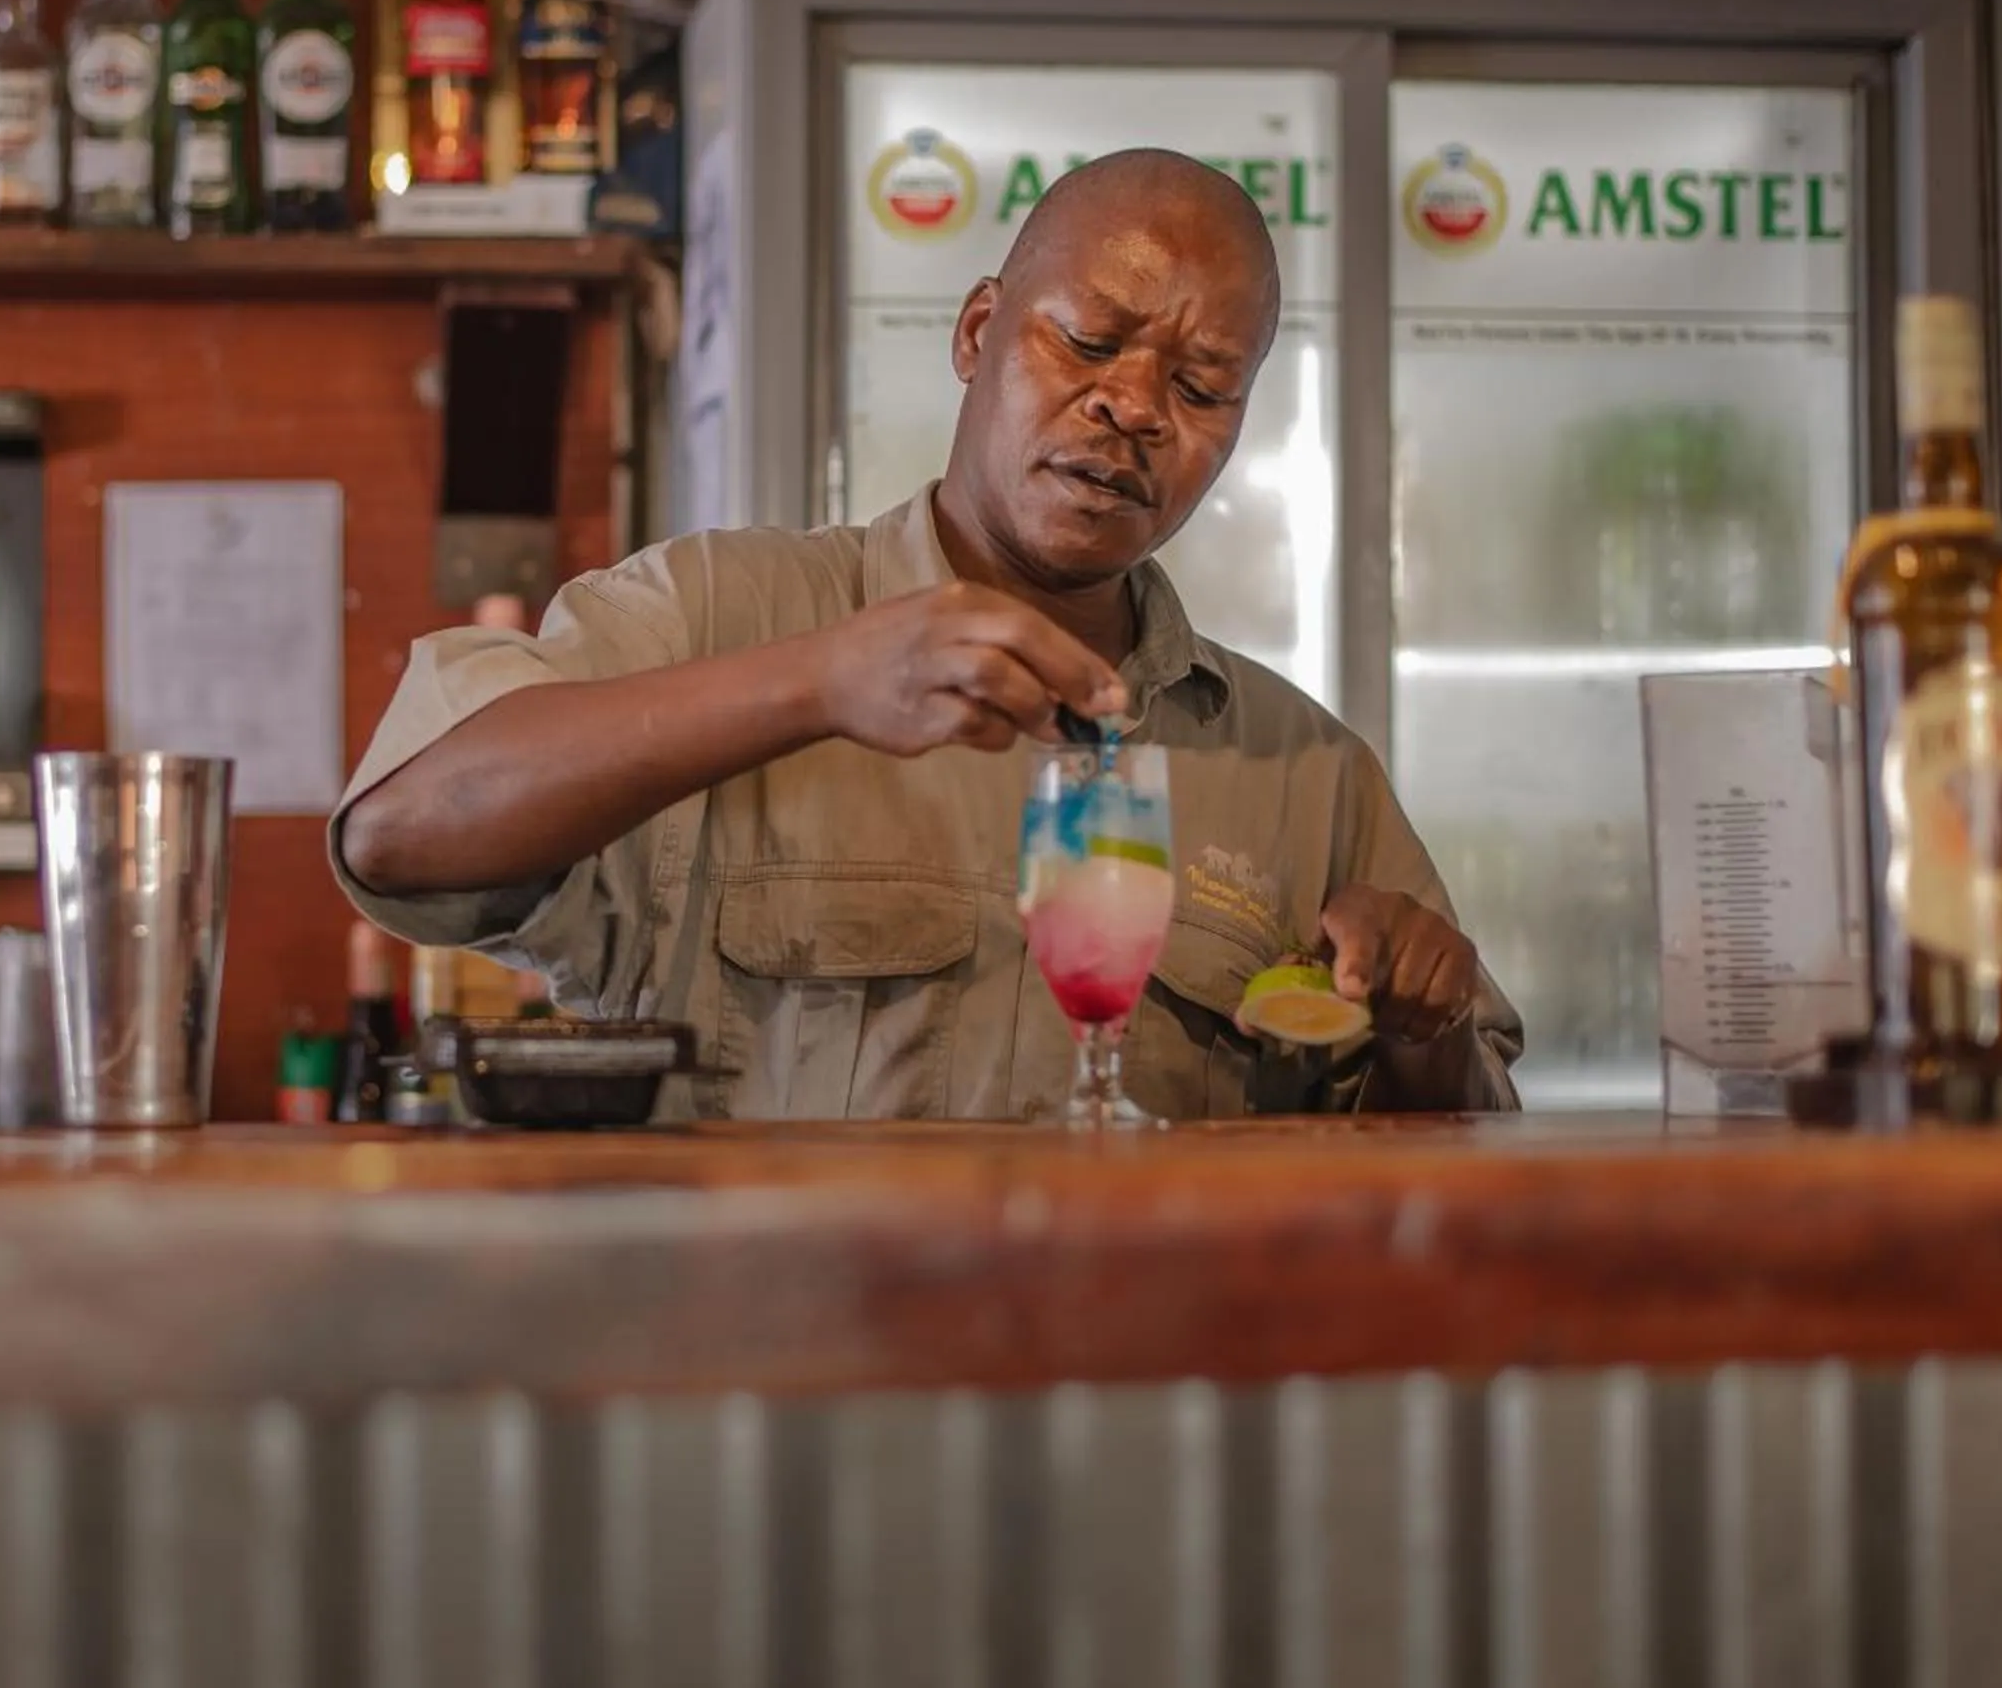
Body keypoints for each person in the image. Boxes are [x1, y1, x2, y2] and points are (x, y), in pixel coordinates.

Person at [332, 148, 1520, 1120]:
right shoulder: (715, 613)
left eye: (1203, 389)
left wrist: (1428, 1023)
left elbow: (1454, 1177)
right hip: (781, 1386)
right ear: (977, 334)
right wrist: (821, 683)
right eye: (1091, 343)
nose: (1135, 407)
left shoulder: (1308, 775)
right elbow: (398, 827)